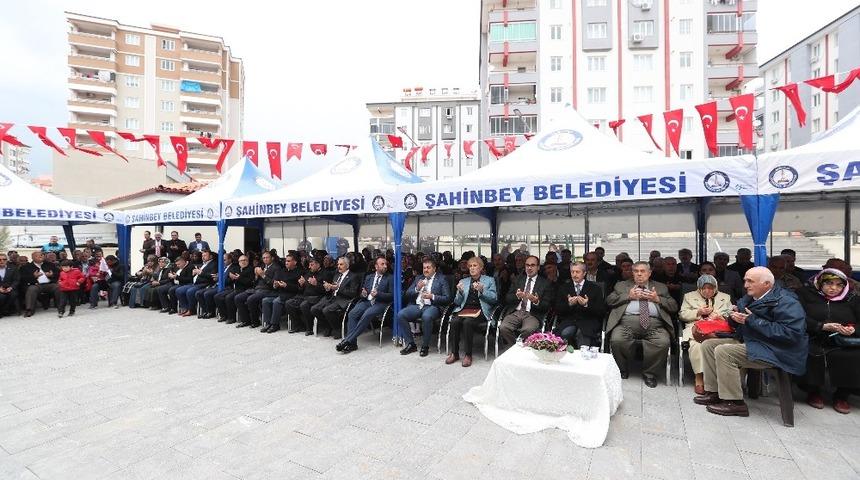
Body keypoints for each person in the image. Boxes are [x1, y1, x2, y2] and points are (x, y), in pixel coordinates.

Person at [694, 267, 808, 417]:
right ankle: (714, 391)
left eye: (750, 281)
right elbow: (741, 322)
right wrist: (733, 317)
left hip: (777, 350)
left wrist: (753, 320)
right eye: (745, 280)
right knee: (709, 345)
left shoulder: (786, 302)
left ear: (767, 284)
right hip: (754, 341)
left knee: (725, 351)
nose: (746, 285)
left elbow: (792, 334)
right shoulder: (750, 297)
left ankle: (734, 402)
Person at [796, 269, 860, 414]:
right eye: (829, 283)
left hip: (844, 340)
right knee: (809, 352)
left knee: (853, 357)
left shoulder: (853, 299)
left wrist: (852, 329)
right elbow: (798, 317)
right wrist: (821, 326)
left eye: (839, 285)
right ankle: (813, 391)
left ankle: (842, 395)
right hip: (813, 336)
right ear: (820, 282)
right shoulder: (805, 295)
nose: (834, 288)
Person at [605, 261, 677, 388]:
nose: (639, 274)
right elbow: (609, 301)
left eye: (642, 271)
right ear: (632, 273)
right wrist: (628, 296)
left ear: (649, 273)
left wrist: (658, 299)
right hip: (626, 323)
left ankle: (650, 374)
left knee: (663, 342)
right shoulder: (621, 286)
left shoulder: (660, 287)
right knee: (617, 339)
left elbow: (673, 306)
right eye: (636, 271)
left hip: (655, 325)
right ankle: (622, 370)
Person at [678, 274, 733, 394]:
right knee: (696, 346)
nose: (708, 291)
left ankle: (721, 378)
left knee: (726, 347)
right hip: (696, 329)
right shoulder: (689, 296)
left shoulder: (726, 297)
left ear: (716, 287)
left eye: (711, 288)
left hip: (718, 329)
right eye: (704, 288)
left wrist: (720, 316)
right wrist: (698, 312)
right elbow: (682, 315)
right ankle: (700, 378)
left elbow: (730, 314)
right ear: (699, 288)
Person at [446, 256, 498, 367]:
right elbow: (457, 302)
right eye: (470, 266)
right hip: (465, 309)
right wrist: (459, 292)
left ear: (481, 268)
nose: (472, 268)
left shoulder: (489, 280)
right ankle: (455, 353)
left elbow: (494, 299)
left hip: (481, 310)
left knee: (467, 322)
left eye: (475, 266)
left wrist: (482, 290)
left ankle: (468, 355)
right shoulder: (463, 281)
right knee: (455, 321)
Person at [397, 258, 451, 356]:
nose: (425, 270)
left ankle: (425, 345)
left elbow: (447, 298)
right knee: (401, 314)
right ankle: (411, 344)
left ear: (434, 269)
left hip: (433, 306)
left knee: (426, 317)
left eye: (428, 268)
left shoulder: (442, 279)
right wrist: (417, 288)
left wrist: (432, 296)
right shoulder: (418, 278)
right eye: (424, 268)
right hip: (418, 305)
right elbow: (407, 294)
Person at [338, 257, 393, 352]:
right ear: (376, 266)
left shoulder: (390, 278)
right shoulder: (369, 277)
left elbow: (393, 295)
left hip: (380, 303)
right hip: (367, 301)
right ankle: (352, 344)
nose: (385, 266)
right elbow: (363, 292)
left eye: (386, 264)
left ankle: (347, 340)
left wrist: (379, 294)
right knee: (352, 313)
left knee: (367, 314)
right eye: (382, 264)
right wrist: (363, 294)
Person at [498, 255, 554, 346]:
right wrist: (517, 297)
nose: (529, 268)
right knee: (503, 327)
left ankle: (518, 347)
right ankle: (517, 348)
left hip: (533, 314)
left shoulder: (545, 283)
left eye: (532, 265)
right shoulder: (518, 280)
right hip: (516, 312)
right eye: (527, 265)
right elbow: (507, 298)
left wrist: (536, 301)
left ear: (538, 267)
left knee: (528, 330)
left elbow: (547, 306)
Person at [554, 262, 606, 348]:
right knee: (565, 333)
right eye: (572, 272)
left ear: (584, 273)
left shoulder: (595, 288)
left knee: (583, 335)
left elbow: (601, 311)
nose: (574, 274)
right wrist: (569, 304)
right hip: (569, 321)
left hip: (588, 321)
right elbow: (557, 309)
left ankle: (583, 359)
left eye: (577, 272)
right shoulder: (563, 287)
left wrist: (586, 305)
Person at [310, 256, 361, 338]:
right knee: (314, 309)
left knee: (327, 310)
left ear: (347, 265)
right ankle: (328, 325)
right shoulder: (337, 275)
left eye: (341, 264)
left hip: (344, 299)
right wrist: (328, 288)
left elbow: (353, 293)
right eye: (338, 264)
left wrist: (338, 288)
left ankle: (338, 329)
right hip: (332, 298)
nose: (338, 266)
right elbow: (332, 288)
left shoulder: (353, 276)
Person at [235, 251, 281, 329]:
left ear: (272, 258)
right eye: (264, 258)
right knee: (238, 298)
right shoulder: (262, 266)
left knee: (251, 299)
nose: (265, 259)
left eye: (267, 257)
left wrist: (263, 275)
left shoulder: (276, 268)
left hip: (268, 290)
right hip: (257, 289)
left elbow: (274, 284)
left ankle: (255, 321)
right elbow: (255, 282)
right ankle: (245, 320)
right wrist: (256, 276)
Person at [283, 257, 327, 334]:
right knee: (289, 303)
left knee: (304, 305)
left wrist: (316, 284)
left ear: (318, 264)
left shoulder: (325, 274)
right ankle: (298, 325)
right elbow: (301, 289)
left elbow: (326, 291)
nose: (309, 267)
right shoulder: (308, 273)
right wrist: (301, 284)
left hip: (317, 297)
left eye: (312, 265)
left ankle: (309, 328)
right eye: (309, 265)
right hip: (305, 296)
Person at [260, 253, 302, 333]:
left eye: (289, 261)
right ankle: (268, 323)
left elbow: (298, 288)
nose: (286, 263)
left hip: (292, 294)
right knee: (265, 300)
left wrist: (286, 286)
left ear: (295, 262)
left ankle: (275, 325)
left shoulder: (299, 272)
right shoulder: (282, 271)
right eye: (286, 261)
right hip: (280, 293)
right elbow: (276, 282)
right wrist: (275, 285)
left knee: (277, 302)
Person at [175, 250, 216, 317]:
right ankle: (185, 308)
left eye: (205, 255)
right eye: (202, 255)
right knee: (179, 290)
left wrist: (200, 273)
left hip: (205, 283)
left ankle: (191, 310)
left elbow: (212, 276)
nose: (203, 257)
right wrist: (195, 273)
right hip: (196, 283)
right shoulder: (203, 264)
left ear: (211, 256)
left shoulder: (213, 264)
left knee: (190, 291)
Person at [215, 255, 254, 324]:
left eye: (245, 260)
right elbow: (231, 280)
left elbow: (249, 282)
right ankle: (224, 315)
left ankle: (232, 318)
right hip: (235, 289)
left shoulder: (250, 269)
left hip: (246, 289)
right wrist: (232, 278)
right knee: (218, 296)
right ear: (238, 262)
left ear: (248, 261)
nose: (243, 262)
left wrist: (239, 278)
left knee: (229, 297)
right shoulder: (237, 269)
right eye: (241, 261)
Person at [20, 251, 60, 317]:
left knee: (58, 287)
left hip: (49, 284)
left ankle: (61, 306)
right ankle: (29, 310)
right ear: (32, 258)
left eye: (41, 255)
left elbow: (58, 274)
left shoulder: (50, 264)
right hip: (35, 285)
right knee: (31, 289)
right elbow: (22, 279)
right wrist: (33, 277)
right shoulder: (26, 267)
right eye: (37, 255)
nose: (40, 256)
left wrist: (52, 275)